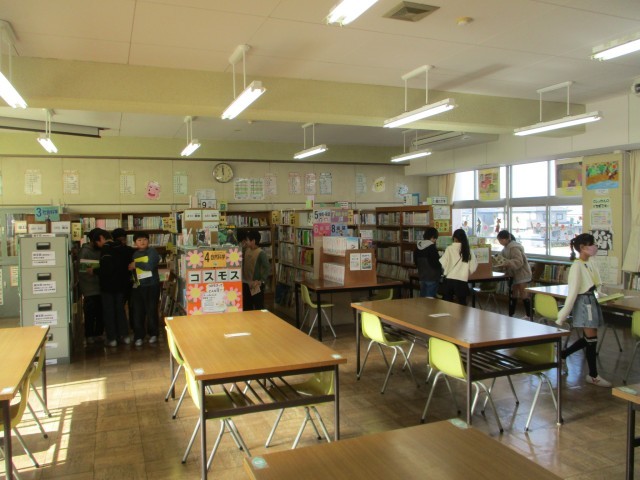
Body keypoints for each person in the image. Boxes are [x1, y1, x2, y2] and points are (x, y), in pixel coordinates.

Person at [556, 233, 611, 387]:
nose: (594, 247)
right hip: (584, 303)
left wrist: (605, 296)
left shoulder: (590, 262)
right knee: (591, 339)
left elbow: (595, 285)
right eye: (591, 244)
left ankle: (563, 354)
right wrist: (562, 315)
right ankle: (593, 375)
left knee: (590, 338)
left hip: (591, 301)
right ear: (582, 247)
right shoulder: (576, 266)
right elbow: (573, 292)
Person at [95, 229, 134, 346]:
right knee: (120, 310)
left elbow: (106, 269)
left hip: (108, 286)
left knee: (109, 311)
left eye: (97, 242)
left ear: (102, 238)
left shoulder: (106, 248)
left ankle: (112, 338)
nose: (98, 245)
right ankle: (125, 336)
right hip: (121, 284)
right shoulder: (122, 248)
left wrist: (95, 271)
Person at [131, 232, 161, 346]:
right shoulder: (135, 254)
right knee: (138, 312)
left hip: (151, 285)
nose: (142, 242)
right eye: (139, 240)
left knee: (151, 310)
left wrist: (136, 264)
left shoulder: (152, 252)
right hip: (139, 286)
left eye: (144, 239)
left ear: (148, 241)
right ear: (135, 243)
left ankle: (153, 334)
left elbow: (149, 266)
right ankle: (139, 336)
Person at [496, 230, 532, 317]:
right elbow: (502, 259)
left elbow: (519, 262)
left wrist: (506, 263)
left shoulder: (514, 248)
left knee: (523, 293)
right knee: (513, 293)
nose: (500, 242)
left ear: (506, 239)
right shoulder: (505, 248)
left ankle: (529, 315)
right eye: (499, 240)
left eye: (501, 240)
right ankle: (511, 314)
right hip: (513, 274)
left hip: (522, 273)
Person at [440, 228, 478, 305]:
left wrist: (447, 269)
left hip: (449, 279)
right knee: (462, 303)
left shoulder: (449, 248)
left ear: (454, 238)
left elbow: (443, 263)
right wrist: (467, 273)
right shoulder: (468, 250)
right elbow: (473, 266)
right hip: (462, 280)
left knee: (447, 303)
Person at [78, 228, 103, 345]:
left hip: (101, 287)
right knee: (90, 313)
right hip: (89, 288)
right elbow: (83, 270)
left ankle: (98, 333)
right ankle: (89, 335)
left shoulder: (101, 250)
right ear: (93, 240)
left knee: (100, 312)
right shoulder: (85, 252)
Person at [242, 230, 270, 310]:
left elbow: (267, 267)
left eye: (247, 240)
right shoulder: (246, 250)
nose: (246, 242)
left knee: (258, 306)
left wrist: (262, 280)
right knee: (247, 306)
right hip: (246, 283)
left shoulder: (261, 253)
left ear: (253, 241)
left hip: (256, 285)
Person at [414, 227, 441, 298]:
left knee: (423, 299)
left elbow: (416, 262)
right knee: (430, 300)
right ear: (432, 237)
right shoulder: (432, 247)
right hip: (432, 277)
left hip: (422, 276)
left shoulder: (418, 247)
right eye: (435, 238)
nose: (435, 240)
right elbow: (436, 264)